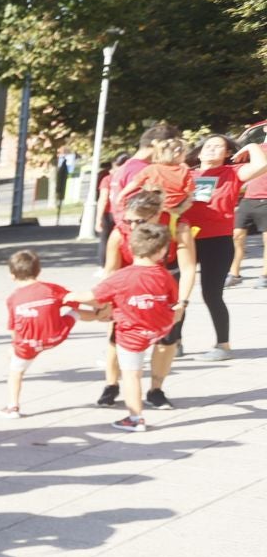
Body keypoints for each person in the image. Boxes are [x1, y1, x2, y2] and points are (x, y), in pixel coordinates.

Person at [74, 222, 179, 433]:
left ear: (130, 248)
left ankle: (135, 417)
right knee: (137, 366)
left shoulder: (121, 277)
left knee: (132, 374)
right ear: (162, 251)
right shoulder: (165, 276)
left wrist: (67, 297)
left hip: (131, 333)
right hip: (158, 328)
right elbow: (172, 301)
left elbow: (92, 297)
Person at [99, 189, 197, 410]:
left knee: (167, 341)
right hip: (129, 287)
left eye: (139, 221)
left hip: (165, 288)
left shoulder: (177, 227)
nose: (132, 226)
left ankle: (156, 390)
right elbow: (110, 270)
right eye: (128, 220)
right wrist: (106, 302)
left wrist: (182, 302)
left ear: (156, 214)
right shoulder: (120, 232)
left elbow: (188, 268)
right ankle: (111, 385)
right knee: (117, 338)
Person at [184, 135, 267, 357]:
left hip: (216, 241)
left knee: (212, 294)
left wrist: (251, 146)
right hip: (184, 240)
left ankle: (223, 345)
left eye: (218, 147)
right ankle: (173, 341)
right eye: (207, 146)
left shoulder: (232, 172)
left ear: (228, 153)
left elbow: (262, 164)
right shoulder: (186, 173)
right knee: (176, 293)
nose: (211, 150)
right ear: (199, 153)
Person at [0, 250, 75, 418]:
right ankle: (102, 316)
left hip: (28, 342)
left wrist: (14, 347)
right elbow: (74, 298)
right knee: (74, 310)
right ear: (38, 270)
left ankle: (13, 406)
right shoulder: (52, 289)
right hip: (54, 336)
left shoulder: (12, 298)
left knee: (16, 372)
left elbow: (13, 327)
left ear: (12, 275)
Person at [236, 143, 267, 288]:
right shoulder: (254, 148)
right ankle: (234, 273)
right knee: (237, 237)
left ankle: (264, 276)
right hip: (248, 198)